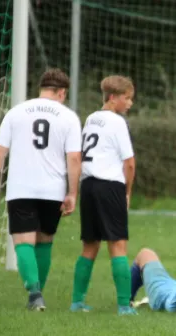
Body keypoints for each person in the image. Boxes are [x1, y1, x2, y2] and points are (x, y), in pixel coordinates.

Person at [0, 68, 82, 311]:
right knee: (44, 241)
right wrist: (72, 193)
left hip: (21, 188)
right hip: (53, 189)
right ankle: (38, 295)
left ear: (42, 88)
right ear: (62, 92)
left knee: (23, 242)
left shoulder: (16, 112)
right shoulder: (69, 117)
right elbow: (74, 159)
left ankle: (35, 294)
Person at [69, 75, 138, 316]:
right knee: (118, 245)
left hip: (88, 185)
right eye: (126, 98)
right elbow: (129, 163)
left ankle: (77, 303)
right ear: (112, 98)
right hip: (109, 186)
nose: (129, 104)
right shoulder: (117, 122)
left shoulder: (91, 119)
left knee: (90, 245)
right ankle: (123, 306)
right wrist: (127, 192)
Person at [129, 248, 176, 315]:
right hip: (168, 287)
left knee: (145, 253)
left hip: (158, 289)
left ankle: (126, 300)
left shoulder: (172, 304)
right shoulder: (175, 303)